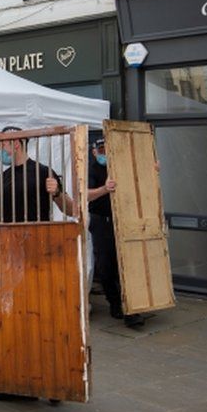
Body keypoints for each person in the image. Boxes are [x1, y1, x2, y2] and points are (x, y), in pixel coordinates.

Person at [0, 126, 75, 405]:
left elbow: (72, 210)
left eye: (1, 144)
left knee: (45, 319)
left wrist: (58, 191)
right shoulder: (1, 180)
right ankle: (18, 379)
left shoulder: (45, 171)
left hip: (41, 255)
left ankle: (52, 382)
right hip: (9, 258)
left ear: (15, 143)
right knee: (16, 320)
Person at [87, 138, 145, 329]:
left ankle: (133, 309)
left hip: (124, 219)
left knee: (127, 263)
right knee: (106, 264)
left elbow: (139, 176)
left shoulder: (120, 165)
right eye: (101, 149)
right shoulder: (91, 170)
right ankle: (115, 303)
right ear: (94, 151)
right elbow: (85, 194)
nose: (105, 153)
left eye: (107, 149)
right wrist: (105, 189)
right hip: (101, 220)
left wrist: (152, 169)